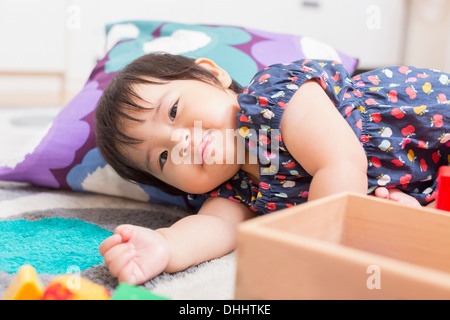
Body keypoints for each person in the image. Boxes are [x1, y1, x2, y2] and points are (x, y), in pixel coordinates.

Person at [95, 52, 450, 284]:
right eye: (162, 158)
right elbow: (212, 229)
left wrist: (318, 254)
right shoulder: (236, 190)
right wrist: (163, 246)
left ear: (211, 74)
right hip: (426, 181)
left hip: (430, 127)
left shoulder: (274, 100)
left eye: (173, 112)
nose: (180, 143)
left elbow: (341, 162)